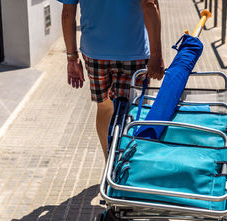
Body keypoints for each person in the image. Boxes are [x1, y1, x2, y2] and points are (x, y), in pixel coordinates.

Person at [59, 0, 165, 158]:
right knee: (134, 108)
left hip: (95, 52)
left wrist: (72, 57)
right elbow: (150, 5)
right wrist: (156, 55)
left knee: (105, 107)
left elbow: (68, 13)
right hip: (133, 52)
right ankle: (127, 165)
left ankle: (109, 162)